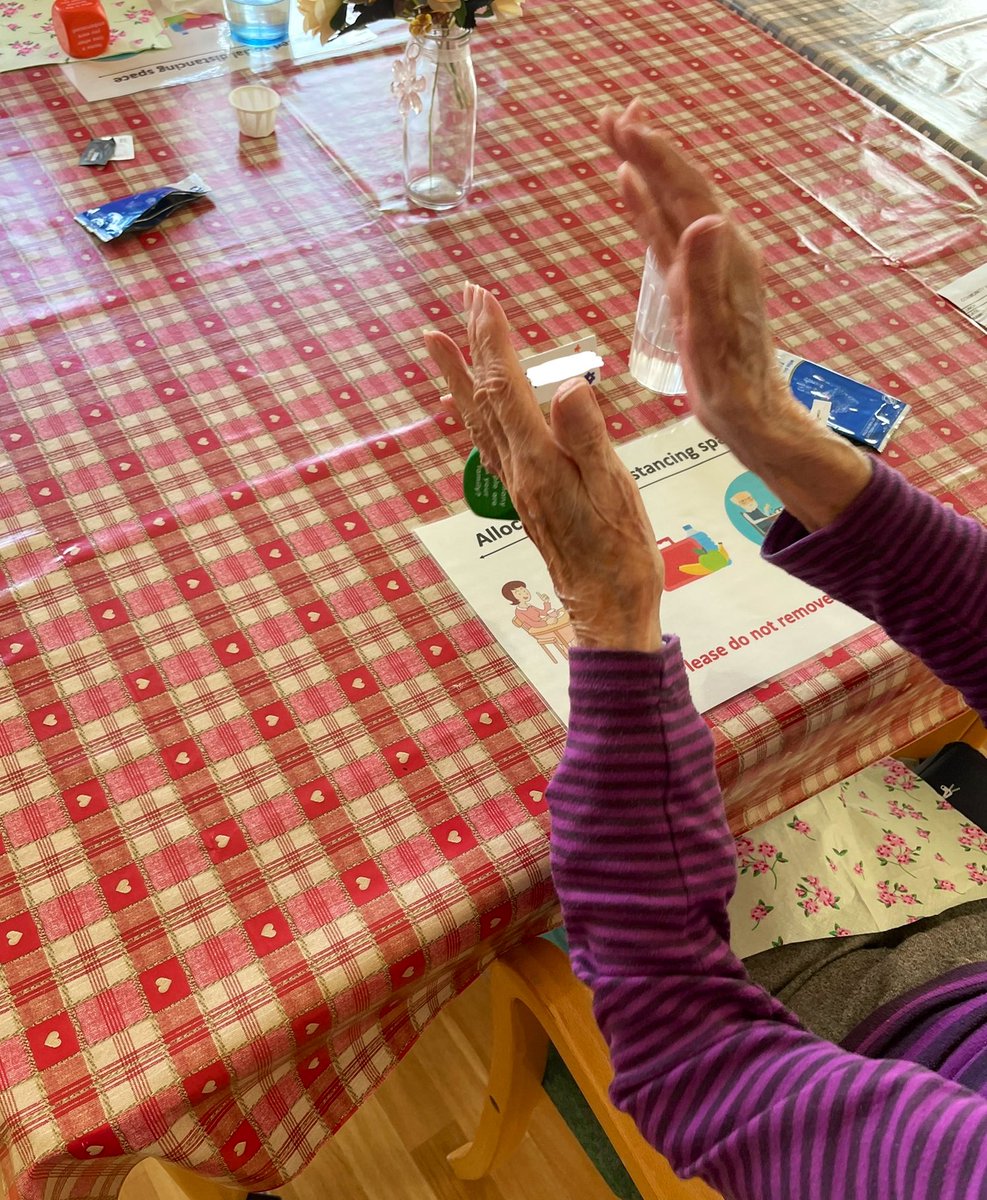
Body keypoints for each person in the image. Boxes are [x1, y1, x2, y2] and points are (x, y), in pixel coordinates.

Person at [424, 100, 987, 1200]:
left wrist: (612, 613)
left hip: (864, 1015)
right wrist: (777, 433)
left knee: (505, 832)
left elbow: (687, 1049)